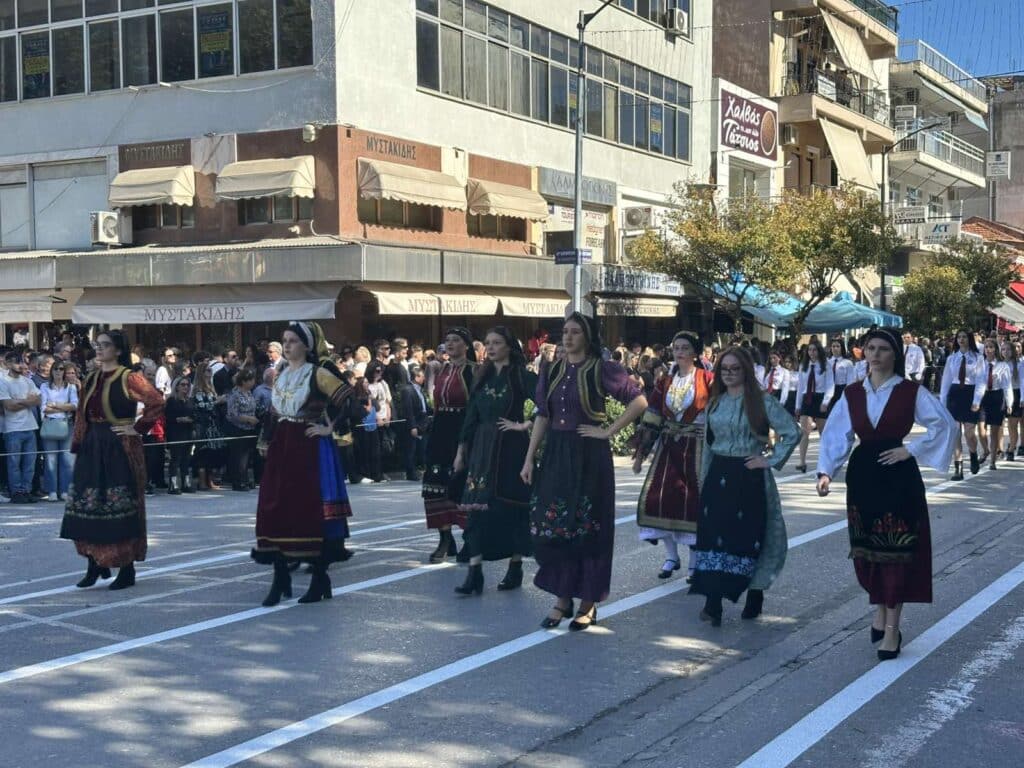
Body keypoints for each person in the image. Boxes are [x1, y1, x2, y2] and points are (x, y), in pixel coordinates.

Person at [817, 328, 956, 661]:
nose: (875, 354)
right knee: (869, 552)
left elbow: (945, 424)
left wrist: (911, 450)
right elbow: (836, 433)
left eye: (882, 349)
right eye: (871, 348)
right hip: (864, 476)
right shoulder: (853, 393)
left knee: (896, 552)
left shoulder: (911, 391)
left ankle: (892, 629)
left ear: (896, 354)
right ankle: (880, 610)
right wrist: (825, 471)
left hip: (898, 478)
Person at [522, 313, 647, 631]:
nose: (568, 337)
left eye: (575, 332)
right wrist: (529, 458)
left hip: (589, 455)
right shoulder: (552, 370)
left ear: (588, 337)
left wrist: (607, 432)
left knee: (588, 529)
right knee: (555, 526)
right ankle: (562, 597)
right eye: (565, 331)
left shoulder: (602, 369)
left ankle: (588, 602)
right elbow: (542, 415)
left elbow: (639, 402)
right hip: (556, 453)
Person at [689, 347, 800, 626]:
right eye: (724, 369)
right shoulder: (715, 403)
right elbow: (709, 445)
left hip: (749, 476)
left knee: (749, 536)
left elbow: (792, 432)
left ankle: (755, 592)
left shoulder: (761, 401)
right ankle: (713, 602)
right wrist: (703, 480)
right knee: (715, 536)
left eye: (735, 368)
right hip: (718, 474)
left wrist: (769, 460)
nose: (728, 374)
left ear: (746, 370)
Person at [252, 321, 355, 606]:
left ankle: (319, 577)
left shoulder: (318, 373)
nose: (287, 345)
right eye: (284, 340)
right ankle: (280, 576)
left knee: (307, 509)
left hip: (307, 445)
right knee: (275, 508)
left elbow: (349, 399)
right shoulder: (282, 374)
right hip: (282, 444)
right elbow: (274, 413)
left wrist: (329, 428)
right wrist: (265, 440)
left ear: (307, 346)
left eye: (293, 341)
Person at [59, 331, 164, 590]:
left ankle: (127, 569)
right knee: (89, 504)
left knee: (120, 504)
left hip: (119, 446)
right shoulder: (91, 378)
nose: (99, 349)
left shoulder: (129, 377)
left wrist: (136, 429)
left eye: (105, 345)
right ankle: (95, 564)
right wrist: (78, 444)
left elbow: (156, 402)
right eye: (98, 345)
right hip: (93, 446)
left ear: (118, 350)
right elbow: (82, 415)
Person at [451, 327, 537, 595]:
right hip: (482, 448)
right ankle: (474, 572)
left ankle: (515, 567)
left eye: (497, 342)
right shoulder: (482, 375)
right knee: (476, 508)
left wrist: (524, 424)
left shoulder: (521, 375)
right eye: (487, 343)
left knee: (512, 509)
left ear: (509, 346)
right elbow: (471, 416)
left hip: (511, 448)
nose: (490, 347)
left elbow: (547, 404)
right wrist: (460, 451)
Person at [633, 331, 712, 582]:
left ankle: (694, 563)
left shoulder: (707, 379)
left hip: (696, 448)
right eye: (676, 348)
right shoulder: (665, 381)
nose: (680, 352)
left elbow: (718, 414)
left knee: (692, 504)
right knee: (660, 500)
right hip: (668, 448)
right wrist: (641, 453)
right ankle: (671, 556)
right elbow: (653, 416)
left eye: (685, 348)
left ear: (695, 352)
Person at [422, 328, 477, 563]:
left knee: (463, 484)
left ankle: (469, 539)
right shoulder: (442, 369)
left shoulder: (474, 371)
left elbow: (476, 408)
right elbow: (436, 403)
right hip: (440, 430)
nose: (450, 344)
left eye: (456, 340)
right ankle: (445, 539)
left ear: (467, 345)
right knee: (435, 483)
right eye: (448, 340)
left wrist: (466, 443)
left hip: (462, 429)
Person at [938, 330, 986, 480]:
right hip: (955, 395)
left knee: (969, 433)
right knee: (955, 433)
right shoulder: (952, 358)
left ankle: (973, 454)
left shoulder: (978, 358)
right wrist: (942, 402)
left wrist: (977, 401)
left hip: (970, 394)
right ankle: (958, 468)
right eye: (959, 337)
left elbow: (981, 381)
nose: (961, 339)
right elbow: (946, 382)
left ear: (969, 339)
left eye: (964, 337)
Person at [0, 350, 41, 504]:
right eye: (16, 362)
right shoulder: (3, 382)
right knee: (14, 463)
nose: (20, 365)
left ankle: (26, 490)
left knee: (30, 463)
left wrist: (19, 401)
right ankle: (16, 492)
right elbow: (8, 406)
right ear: (8, 363)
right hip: (12, 429)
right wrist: (27, 401)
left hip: (30, 426)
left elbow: (37, 400)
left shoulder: (27, 381)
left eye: (21, 362)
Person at [39, 361, 78, 502]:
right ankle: (52, 491)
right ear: (51, 371)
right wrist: (64, 407)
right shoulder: (44, 386)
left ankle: (65, 490)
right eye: (55, 369)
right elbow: (44, 408)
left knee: (67, 459)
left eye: (61, 369)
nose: (58, 371)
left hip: (66, 424)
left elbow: (75, 405)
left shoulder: (71, 387)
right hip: (50, 423)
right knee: (51, 459)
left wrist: (55, 405)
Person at [794, 339, 834, 473]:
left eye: (814, 350)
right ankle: (802, 462)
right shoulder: (803, 366)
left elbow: (830, 385)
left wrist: (825, 402)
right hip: (807, 398)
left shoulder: (826, 365)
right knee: (804, 432)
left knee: (823, 433)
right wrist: (798, 405)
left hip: (820, 397)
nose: (812, 352)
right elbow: (800, 387)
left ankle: (826, 461)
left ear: (819, 351)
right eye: (810, 350)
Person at [978, 339, 1013, 471]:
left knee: (994, 431)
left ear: (995, 349)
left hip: (997, 397)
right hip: (983, 396)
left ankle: (992, 461)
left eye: (991, 347)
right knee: (981, 429)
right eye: (986, 347)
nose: (988, 349)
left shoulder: (1002, 365)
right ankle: (985, 450)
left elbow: (1007, 386)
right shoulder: (980, 363)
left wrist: (1009, 403)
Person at [191, 360, 226, 490]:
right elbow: (201, 406)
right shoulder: (198, 390)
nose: (210, 373)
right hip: (203, 425)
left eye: (210, 370)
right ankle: (201, 481)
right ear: (201, 373)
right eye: (207, 370)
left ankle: (209, 480)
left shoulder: (211, 388)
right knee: (203, 452)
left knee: (212, 453)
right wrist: (217, 402)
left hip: (213, 424)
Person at [226, 368, 260, 491]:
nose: (253, 382)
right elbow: (232, 414)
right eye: (251, 380)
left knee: (247, 456)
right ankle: (238, 481)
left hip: (250, 429)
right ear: (244, 381)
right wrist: (247, 419)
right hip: (238, 429)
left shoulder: (249, 393)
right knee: (239, 457)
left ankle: (245, 479)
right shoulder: (235, 394)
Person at [165, 376, 196, 495]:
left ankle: (186, 483)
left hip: (188, 432)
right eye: (182, 384)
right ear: (177, 386)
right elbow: (168, 417)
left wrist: (192, 422)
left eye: (187, 385)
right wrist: (179, 419)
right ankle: (173, 485)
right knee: (175, 459)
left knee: (186, 459)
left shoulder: (190, 401)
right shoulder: (171, 401)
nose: (185, 387)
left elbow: (194, 415)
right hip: (175, 433)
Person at [399, 364, 430, 482]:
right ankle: (411, 473)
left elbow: (424, 405)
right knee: (411, 449)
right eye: (422, 376)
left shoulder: (420, 389)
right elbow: (408, 410)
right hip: (414, 422)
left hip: (423, 422)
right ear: (416, 377)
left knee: (421, 448)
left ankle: (420, 469)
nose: (424, 378)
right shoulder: (407, 390)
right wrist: (412, 426)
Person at [1002, 341, 1022, 461]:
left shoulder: (1019, 364)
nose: (1006, 352)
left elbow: (1022, 383)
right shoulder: (999, 364)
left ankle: (1011, 449)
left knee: (1012, 425)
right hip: (1002, 395)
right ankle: (1001, 448)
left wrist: (1022, 398)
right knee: (1004, 425)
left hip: (1016, 394)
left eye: (1008, 349)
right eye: (1003, 349)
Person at [826, 339, 855, 418]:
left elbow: (850, 381)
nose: (835, 348)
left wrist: (846, 394)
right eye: (833, 346)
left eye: (838, 346)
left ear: (842, 348)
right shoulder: (827, 362)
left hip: (841, 389)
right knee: (830, 415)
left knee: (841, 415)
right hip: (829, 390)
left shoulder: (848, 363)